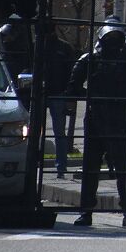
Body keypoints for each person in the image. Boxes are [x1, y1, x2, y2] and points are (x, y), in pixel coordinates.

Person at [68, 23, 126, 228]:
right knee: (91, 168)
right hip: (96, 118)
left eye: (116, 40)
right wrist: (93, 96)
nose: (112, 45)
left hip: (120, 118)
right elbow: (73, 86)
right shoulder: (90, 59)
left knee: (123, 169)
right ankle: (86, 211)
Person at [40, 21, 76, 177]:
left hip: (58, 93)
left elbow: (71, 73)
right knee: (34, 132)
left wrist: (70, 95)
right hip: (40, 94)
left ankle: (61, 167)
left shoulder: (63, 48)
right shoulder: (37, 47)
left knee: (59, 133)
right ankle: (38, 163)